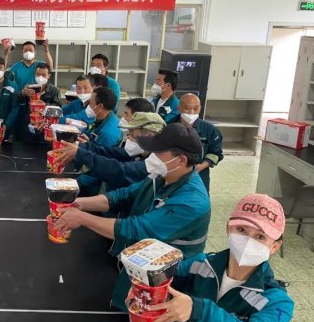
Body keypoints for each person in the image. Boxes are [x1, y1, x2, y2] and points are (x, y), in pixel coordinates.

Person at [55, 123, 210, 311]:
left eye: (159, 152)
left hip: (164, 282)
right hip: (140, 266)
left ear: (181, 160)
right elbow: (124, 195)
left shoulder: (191, 202)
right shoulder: (161, 177)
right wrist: (81, 203)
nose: (152, 156)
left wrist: (82, 218)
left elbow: (137, 230)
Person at [148, 194, 293, 322]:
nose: (248, 241)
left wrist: (200, 311)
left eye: (260, 236)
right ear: (228, 229)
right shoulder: (198, 265)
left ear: (274, 246)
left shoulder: (276, 301)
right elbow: (164, 279)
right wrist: (144, 286)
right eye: (241, 230)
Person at [55, 112, 165, 193]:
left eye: (133, 135)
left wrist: (81, 154)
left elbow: (118, 170)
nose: (129, 139)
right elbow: (111, 153)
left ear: (149, 136)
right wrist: (82, 146)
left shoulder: (156, 163)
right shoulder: (141, 152)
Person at [71, 87, 122, 195]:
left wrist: (75, 183)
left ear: (99, 107)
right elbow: (98, 146)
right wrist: (89, 143)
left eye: (90, 103)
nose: (88, 106)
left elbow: (101, 168)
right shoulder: (104, 119)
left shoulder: (108, 133)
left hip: (94, 185)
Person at [172, 93, 223, 192]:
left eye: (195, 109)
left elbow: (216, 153)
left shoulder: (210, 130)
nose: (191, 112)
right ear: (179, 108)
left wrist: (201, 166)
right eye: (187, 108)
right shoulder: (169, 127)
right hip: (173, 173)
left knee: (198, 198)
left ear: (200, 108)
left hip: (200, 174)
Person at [16, 62, 61, 143]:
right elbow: (16, 100)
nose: (40, 77)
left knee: (43, 147)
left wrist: (44, 106)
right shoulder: (29, 88)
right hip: (29, 125)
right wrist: (23, 93)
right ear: (34, 75)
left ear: (49, 76)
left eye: (44, 75)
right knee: (26, 147)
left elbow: (58, 108)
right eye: (38, 74)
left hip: (45, 126)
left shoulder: (54, 90)